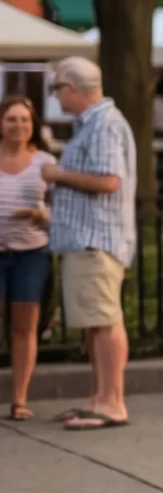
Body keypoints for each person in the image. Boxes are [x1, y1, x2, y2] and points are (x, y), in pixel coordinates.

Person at [42, 57, 135, 430]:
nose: (55, 97)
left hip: (95, 236)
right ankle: (99, 399)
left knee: (104, 319)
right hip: (87, 237)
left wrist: (57, 173)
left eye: (56, 89)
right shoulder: (96, 124)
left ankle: (112, 402)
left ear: (72, 88)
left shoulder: (102, 125)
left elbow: (108, 179)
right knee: (94, 323)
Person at [0, 96, 53, 420]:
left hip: (31, 253)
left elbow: (58, 209)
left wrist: (38, 214)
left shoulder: (44, 162)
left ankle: (20, 398)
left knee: (24, 327)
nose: (18, 125)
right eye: (11, 119)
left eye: (24, 120)